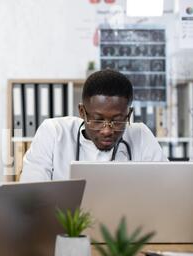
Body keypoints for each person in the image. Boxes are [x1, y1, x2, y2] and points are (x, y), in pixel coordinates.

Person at [20, 69, 167, 182]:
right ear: (82, 112)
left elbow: (166, 187)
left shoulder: (141, 135)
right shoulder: (53, 132)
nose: (107, 130)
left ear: (128, 115)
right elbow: (31, 196)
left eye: (117, 121)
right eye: (97, 120)